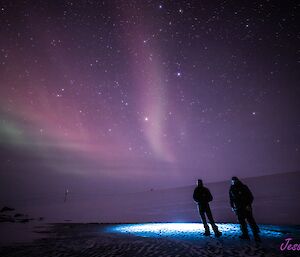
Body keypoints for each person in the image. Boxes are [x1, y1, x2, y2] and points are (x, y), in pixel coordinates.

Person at [229, 176, 261, 242]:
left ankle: (256, 235)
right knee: (242, 222)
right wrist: (232, 206)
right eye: (232, 181)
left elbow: (250, 197)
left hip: (246, 207)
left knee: (251, 221)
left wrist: (248, 205)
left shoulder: (243, 187)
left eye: (235, 180)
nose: (233, 182)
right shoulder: (231, 189)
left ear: (237, 180)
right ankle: (245, 235)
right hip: (238, 208)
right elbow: (231, 199)